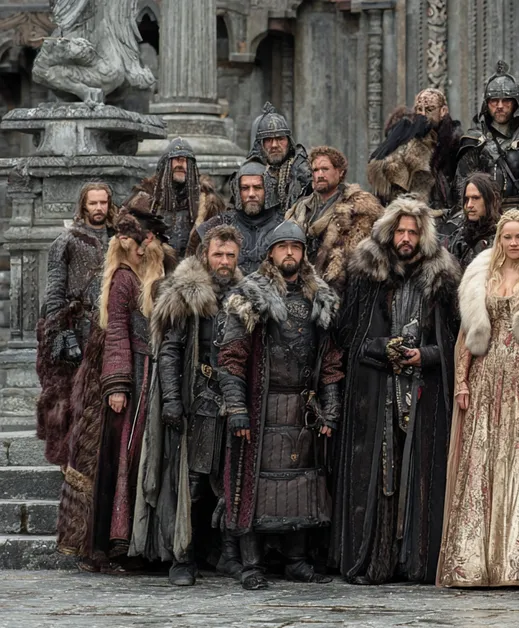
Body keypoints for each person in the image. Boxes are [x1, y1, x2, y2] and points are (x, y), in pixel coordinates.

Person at [331, 196, 461, 585]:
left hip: (425, 391)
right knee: (378, 475)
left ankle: (418, 562)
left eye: (413, 232)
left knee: (420, 473)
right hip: (375, 391)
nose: (406, 238)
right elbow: (349, 334)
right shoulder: (367, 273)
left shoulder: (441, 278)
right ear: (390, 233)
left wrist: (426, 355)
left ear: (423, 236)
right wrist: (380, 347)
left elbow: (454, 339)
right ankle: (376, 560)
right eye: (400, 230)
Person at [438, 210, 519, 587]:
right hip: (486, 374)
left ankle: (515, 562)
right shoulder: (480, 275)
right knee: (480, 459)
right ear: (499, 239)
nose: (513, 243)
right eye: (507, 237)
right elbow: (466, 335)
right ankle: (473, 563)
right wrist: (461, 381)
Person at [218, 221, 341, 590]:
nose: (290, 252)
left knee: (301, 483)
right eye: (283, 246)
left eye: (296, 246)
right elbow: (231, 357)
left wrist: (330, 408)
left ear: (304, 252)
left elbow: (331, 359)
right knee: (255, 484)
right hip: (261, 405)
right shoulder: (250, 294)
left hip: (303, 406)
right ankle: (252, 564)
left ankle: (296, 560)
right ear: (271, 252)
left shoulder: (319, 297)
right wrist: (237, 407)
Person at [57, 208, 172, 572]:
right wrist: (119, 385)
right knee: (122, 459)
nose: (126, 244)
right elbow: (118, 332)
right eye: (121, 238)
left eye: (132, 238)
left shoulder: (159, 273)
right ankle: (116, 545)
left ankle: (144, 544)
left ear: (148, 241)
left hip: (156, 374)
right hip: (131, 378)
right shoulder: (123, 278)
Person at [131, 225, 243, 586]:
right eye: (218, 254)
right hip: (197, 401)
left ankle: (227, 555)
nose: (224, 262)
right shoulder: (186, 293)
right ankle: (184, 556)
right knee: (190, 484)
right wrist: (173, 401)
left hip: (233, 402)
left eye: (230, 255)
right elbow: (169, 349)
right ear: (205, 255)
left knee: (229, 482)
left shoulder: (244, 295)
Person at [36, 182, 114, 467]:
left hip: (108, 331)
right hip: (76, 332)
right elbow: (54, 293)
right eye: (93, 203)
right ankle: (73, 463)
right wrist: (59, 334)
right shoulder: (66, 241)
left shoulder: (118, 239)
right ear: (83, 205)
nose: (98, 209)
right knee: (71, 402)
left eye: (103, 203)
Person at [284, 145, 384, 292]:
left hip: (343, 288)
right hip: (302, 286)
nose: (320, 174)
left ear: (340, 172)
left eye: (325, 169)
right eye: (315, 170)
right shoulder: (301, 208)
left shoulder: (359, 207)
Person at [457, 61, 519, 208]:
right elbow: (462, 187)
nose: (500, 106)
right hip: (483, 212)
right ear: (486, 104)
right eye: (494, 101)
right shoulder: (474, 141)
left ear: (515, 103)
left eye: (506, 100)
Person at [368, 88, 463, 208]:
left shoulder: (455, 142)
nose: (423, 114)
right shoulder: (407, 140)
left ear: (443, 111)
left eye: (429, 109)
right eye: (419, 109)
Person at [129, 137, 225, 253]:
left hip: (193, 267)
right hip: (156, 266)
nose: (181, 164)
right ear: (166, 163)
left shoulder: (208, 202)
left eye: (185, 160)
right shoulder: (146, 198)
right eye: (177, 159)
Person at [192, 160, 285, 274]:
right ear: (238, 191)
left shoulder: (284, 226)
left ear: (268, 190)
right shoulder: (217, 225)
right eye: (245, 188)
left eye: (257, 187)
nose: (251, 194)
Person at [248, 102, 312, 211]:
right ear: (261, 144)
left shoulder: (302, 172)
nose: (274, 145)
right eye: (268, 140)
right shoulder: (255, 173)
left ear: (288, 141)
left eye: (280, 139)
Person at [448, 173, 501, 268]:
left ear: (490, 200)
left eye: (475, 198)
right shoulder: (459, 236)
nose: (469, 205)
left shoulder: (503, 237)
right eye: (467, 199)